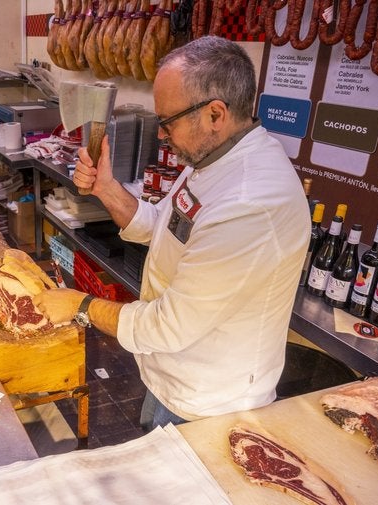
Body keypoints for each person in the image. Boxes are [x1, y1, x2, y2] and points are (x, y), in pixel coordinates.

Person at [33, 36, 310, 430]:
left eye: (168, 122)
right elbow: (163, 228)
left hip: (208, 402)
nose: (162, 135)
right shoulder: (212, 158)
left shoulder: (250, 203)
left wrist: (80, 306)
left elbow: (169, 325)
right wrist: (106, 189)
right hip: (170, 376)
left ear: (216, 114)